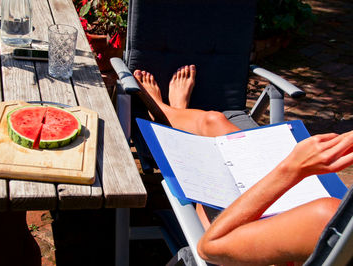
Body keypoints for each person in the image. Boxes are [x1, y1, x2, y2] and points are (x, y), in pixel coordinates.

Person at [133, 65, 353, 266]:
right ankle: (172, 111)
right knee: (217, 123)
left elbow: (209, 248)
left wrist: (293, 168)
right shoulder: (335, 215)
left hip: (226, 246)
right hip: (284, 221)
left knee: (212, 155)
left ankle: (164, 112)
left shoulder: (328, 219)